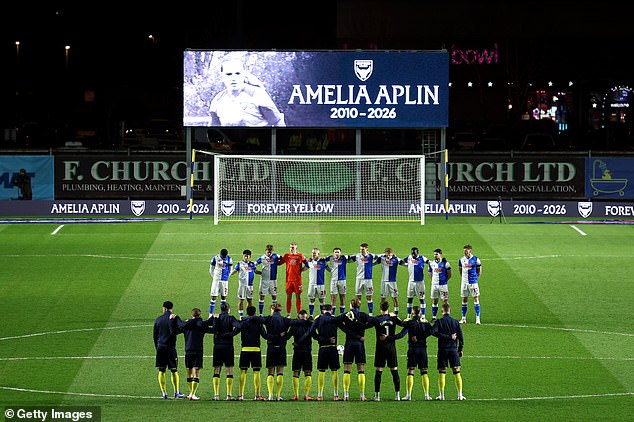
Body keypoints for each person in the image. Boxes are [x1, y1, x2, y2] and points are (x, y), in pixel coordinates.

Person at [209, 56, 285, 127]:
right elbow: (214, 129)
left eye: (237, 73)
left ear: (244, 74)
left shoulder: (257, 94)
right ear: (222, 76)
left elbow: (277, 122)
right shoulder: (217, 100)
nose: (233, 78)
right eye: (229, 74)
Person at [300, 303, 346, 401]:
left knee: (321, 371)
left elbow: (311, 332)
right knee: (334, 371)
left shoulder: (318, 319)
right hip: (333, 349)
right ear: (331, 311)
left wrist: (301, 340)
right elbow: (345, 329)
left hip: (323, 348)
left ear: (322, 310)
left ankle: (320, 395)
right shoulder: (335, 319)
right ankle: (336, 395)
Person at [366, 301, 405, 401]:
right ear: (388, 308)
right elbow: (405, 325)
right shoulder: (393, 318)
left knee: (379, 371)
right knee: (394, 371)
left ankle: (377, 396)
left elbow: (366, 324)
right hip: (391, 348)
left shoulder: (376, 319)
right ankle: (397, 395)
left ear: (380, 308)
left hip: (380, 348)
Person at [173, 307, 214, 401]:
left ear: (192, 315)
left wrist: (177, 318)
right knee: (197, 373)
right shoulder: (201, 325)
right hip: (198, 351)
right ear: (200, 315)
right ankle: (193, 393)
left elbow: (177, 329)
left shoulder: (186, 325)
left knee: (189, 372)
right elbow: (212, 329)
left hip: (188, 351)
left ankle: (190, 393)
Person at [397, 306, 434, 401]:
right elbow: (432, 331)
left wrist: (389, 338)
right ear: (420, 313)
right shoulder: (425, 323)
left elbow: (401, 334)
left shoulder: (410, 323)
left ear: (412, 313)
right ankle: (426, 395)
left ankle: (408, 395)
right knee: (424, 372)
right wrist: (421, 337)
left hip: (412, 350)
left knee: (410, 371)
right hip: (423, 350)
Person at [206, 302, 241, 400]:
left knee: (217, 369)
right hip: (228, 346)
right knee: (229, 369)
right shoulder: (231, 318)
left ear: (221, 309)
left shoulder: (215, 317)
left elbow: (205, 325)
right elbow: (239, 326)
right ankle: (229, 395)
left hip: (217, 346)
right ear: (228, 310)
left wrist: (213, 330)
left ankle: (216, 395)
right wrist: (232, 334)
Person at [432, 303, 466, 400]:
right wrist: (460, 349)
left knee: (442, 372)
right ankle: (460, 395)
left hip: (442, 350)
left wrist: (444, 336)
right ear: (450, 310)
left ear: (442, 311)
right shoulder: (455, 322)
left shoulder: (439, 322)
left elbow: (433, 332)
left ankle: (442, 396)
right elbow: (461, 338)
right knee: (456, 371)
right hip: (453, 350)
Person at [339, 298, 370, 401]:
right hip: (360, 345)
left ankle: (346, 395)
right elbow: (371, 323)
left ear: (351, 306)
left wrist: (346, 330)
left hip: (349, 344)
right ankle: (362, 395)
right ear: (359, 306)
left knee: (347, 370)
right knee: (361, 370)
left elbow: (338, 323)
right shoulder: (363, 315)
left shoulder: (346, 315)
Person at [153, 300, 185, 399]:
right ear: (171, 308)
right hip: (171, 347)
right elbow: (181, 328)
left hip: (161, 347)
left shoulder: (158, 320)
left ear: (164, 308)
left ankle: (164, 393)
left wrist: (157, 347)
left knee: (161, 370)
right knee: (174, 370)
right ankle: (176, 392)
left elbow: (155, 336)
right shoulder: (174, 318)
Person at [261, 302, 292, 400]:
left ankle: (270, 395)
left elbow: (257, 320)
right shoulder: (285, 320)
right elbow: (295, 324)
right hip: (282, 348)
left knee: (270, 372)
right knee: (280, 372)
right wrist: (285, 336)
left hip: (271, 347)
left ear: (272, 310)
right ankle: (278, 395)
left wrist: (267, 336)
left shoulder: (268, 319)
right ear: (280, 310)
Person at [236, 305, 267, 401]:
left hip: (244, 349)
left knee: (243, 372)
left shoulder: (243, 322)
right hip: (256, 350)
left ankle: (241, 395)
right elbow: (265, 335)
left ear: (247, 312)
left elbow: (235, 331)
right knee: (256, 372)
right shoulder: (258, 323)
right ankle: (257, 395)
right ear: (255, 313)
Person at [288, 309, 315, 401]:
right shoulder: (310, 325)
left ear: (298, 317)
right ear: (306, 317)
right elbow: (316, 336)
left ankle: (296, 395)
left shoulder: (294, 326)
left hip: (297, 352)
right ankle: (306, 395)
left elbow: (287, 336)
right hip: (307, 351)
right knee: (308, 372)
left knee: (296, 372)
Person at [350, 243, 380, 315]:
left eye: (362, 249)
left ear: (367, 249)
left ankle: (370, 314)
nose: (361, 250)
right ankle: (357, 314)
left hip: (368, 279)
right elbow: (348, 258)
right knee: (358, 297)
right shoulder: (357, 256)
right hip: (359, 279)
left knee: (369, 297)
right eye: (360, 249)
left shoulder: (371, 256)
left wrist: (373, 264)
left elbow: (380, 257)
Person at [400, 247, 430, 318]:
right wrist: (407, 265)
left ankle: (423, 316)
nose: (413, 255)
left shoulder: (422, 258)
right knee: (409, 298)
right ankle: (408, 316)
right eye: (412, 253)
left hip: (420, 282)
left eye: (414, 253)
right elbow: (401, 262)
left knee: (421, 298)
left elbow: (429, 262)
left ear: (417, 252)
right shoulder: (409, 257)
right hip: (411, 282)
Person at [279, 241, 307, 317]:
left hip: (297, 280)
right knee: (289, 296)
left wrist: (303, 269)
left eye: (293, 247)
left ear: (296, 247)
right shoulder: (286, 255)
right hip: (288, 280)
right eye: (290, 247)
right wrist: (276, 257)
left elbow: (307, 264)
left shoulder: (300, 255)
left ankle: (299, 314)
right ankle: (288, 314)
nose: (291, 248)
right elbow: (279, 263)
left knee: (298, 296)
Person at [231, 249, 260, 319]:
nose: (246, 257)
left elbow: (256, 271)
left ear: (250, 256)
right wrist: (228, 274)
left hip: (250, 286)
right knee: (241, 300)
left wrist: (263, 273)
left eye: (247, 256)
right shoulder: (239, 264)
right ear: (243, 256)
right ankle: (241, 316)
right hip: (242, 285)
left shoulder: (252, 264)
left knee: (250, 301)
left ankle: (248, 315)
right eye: (245, 256)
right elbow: (234, 271)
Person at [458, 244, 482, 324]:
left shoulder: (476, 259)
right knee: (464, 299)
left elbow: (479, 271)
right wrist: (464, 279)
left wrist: (475, 279)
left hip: (473, 283)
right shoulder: (461, 260)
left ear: (470, 250)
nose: (465, 252)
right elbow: (460, 271)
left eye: (466, 250)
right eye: (464, 250)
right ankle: (463, 318)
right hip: (464, 283)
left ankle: (477, 318)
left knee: (475, 298)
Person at [256, 244, 280, 316]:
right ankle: (260, 314)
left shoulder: (276, 256)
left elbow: (283, 260)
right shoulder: (262, 257)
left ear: (272, 251)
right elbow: (254, 264)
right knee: (262, 296)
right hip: (264, 280)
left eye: (270, 252)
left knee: (274, 296)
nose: (269, 253)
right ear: (265, 250)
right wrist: (257, 271)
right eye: (268, 252)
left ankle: (275, 313)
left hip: (273, 280)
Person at [429, 248, 452, 322]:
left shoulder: (446, 263)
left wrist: (445, 280)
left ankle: (447, 316)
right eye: (434, 254)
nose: (435, 255)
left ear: (440, 254)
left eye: (436, 254)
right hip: (434, 285)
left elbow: (449, 274)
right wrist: (433, 281)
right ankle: (434, 317)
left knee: (445, 301)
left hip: (443, 285)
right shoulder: (432, 263)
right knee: (434, 301)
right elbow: (430, 274)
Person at [325, 247, 350, 315]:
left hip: (342, 281)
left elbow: (354, 258)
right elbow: (322, 260)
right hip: (333, 281)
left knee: (342, 298)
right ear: (333, 253)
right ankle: (332, 315)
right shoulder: (330, 258)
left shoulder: (344, 258)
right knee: (333, 298)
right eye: (335, 252)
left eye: (338, 252)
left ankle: (342, 314)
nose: (337, 253)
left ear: (340, 253)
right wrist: (328, 268)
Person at [377, 247, 401, 315]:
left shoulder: (396, 259)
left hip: (392, 282)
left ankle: (396, 315)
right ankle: (382, 314)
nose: (388, 256)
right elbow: (375, 258)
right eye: (387, 254)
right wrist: (383, 255)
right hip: (384, 281)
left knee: (395, 299)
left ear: (392, 254)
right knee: (383, 299)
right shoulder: (382, 258)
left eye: (389, 254)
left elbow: (404, 263)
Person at [209, 248, 232, 317]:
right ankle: (210, 315)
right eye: (223, 256)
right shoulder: (215, 258)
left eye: (225, 256)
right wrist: (214, 277)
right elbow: (211, 269)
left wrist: (227, 277)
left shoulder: (229, 259)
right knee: (213, 296)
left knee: (223, 297)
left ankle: (223, 314)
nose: (224, 257)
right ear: (220, 254)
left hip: (224, 281)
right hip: (216, 280)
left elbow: (230, 269)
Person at [306, 247, 328, 317]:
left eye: (315, 253)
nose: (313, 254)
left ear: (318, 254)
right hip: (311, 284)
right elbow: (303, 269)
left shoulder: (323, 262)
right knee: (311, 300)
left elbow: (330, 269)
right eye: (312, 253)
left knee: (322, 300)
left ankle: (322, 315)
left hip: (321, 284)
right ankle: (311, 316)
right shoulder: (309, 262)